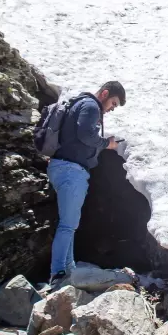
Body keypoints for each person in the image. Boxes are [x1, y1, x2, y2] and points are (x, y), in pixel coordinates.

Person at [47, 80, 126, 282]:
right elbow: (85, 135)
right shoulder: (91, 106)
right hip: (71, 170)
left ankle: (68, 268)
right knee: (67, 225)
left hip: (62, 168)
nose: (111, 109)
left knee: (69, 223)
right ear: (105, 93)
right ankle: (58, 274)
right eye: (113, 104)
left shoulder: (80, 103)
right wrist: (107, 144)